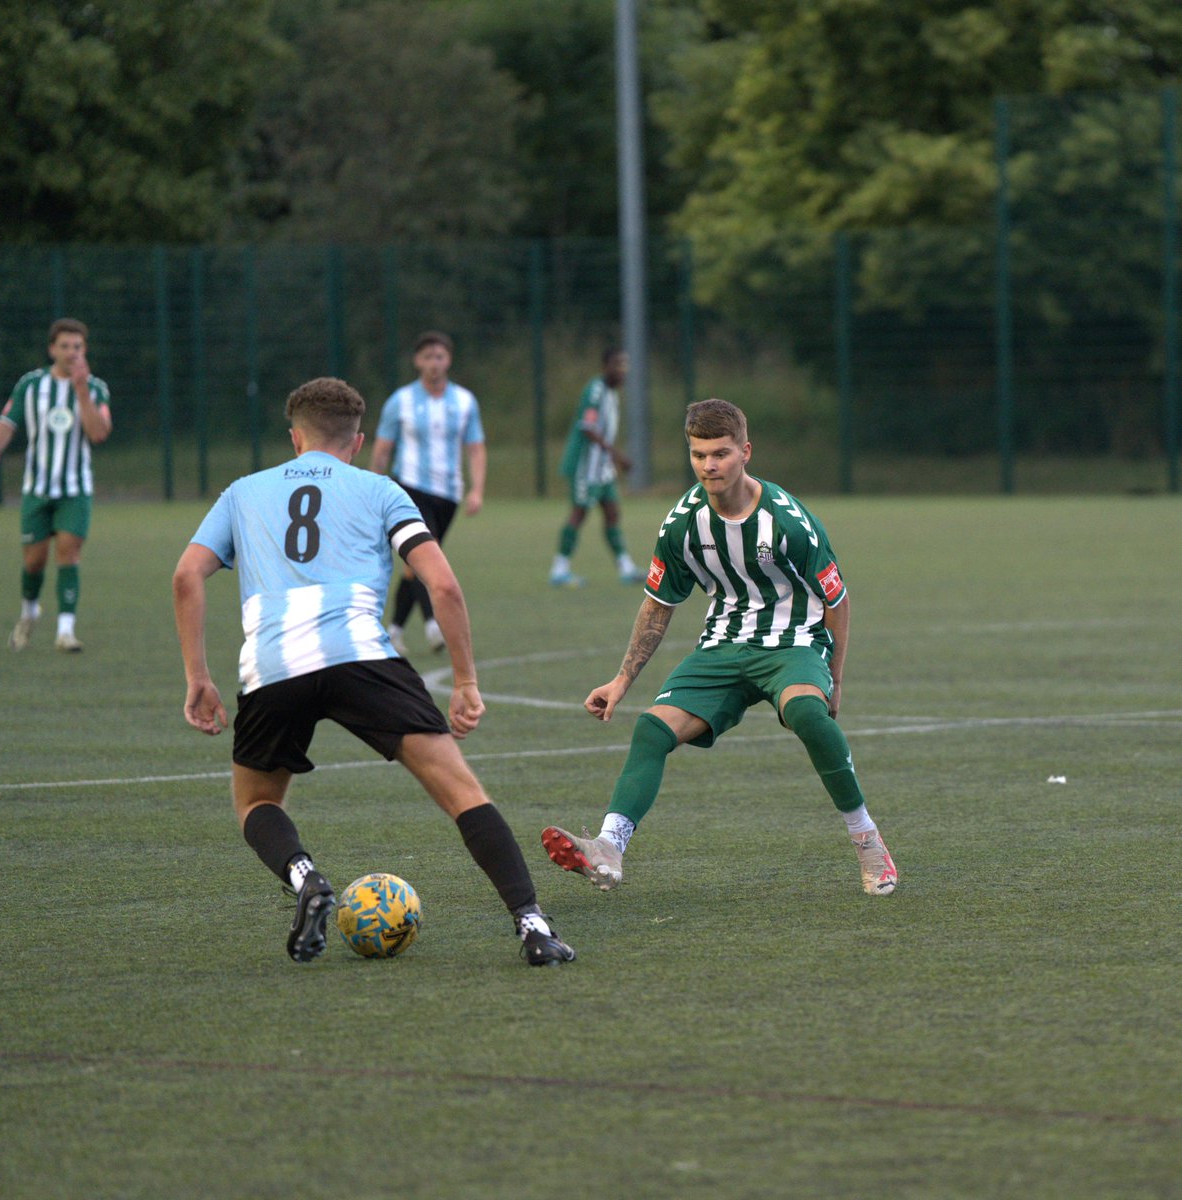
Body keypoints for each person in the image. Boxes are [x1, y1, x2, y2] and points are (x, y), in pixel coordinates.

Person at [172, 377, 573, 967]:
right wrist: (464, 682)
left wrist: (197, 677)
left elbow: (186, 577)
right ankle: (533, 927)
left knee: (257, 803)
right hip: (362, 655)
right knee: (462, 793)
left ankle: (305, 876)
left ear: (294, 437)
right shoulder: (382, 490)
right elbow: (443, 585)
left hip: (273, 665)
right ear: (357, 442)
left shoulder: (242, 493)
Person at [542, 398, 897, 898]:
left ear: (745, 452)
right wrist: (622, 680)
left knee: (809, 717)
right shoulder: (682, 524)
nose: (709, 465)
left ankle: (867, 840)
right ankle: (608, 846)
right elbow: (658, 605)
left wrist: (835, 679)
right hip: (722, 645)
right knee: (650, 730)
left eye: (721, 454)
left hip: (792, 641)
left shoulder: (788, 522)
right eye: (699, 454)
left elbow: (836, 599)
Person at [0, 318, 112, 652]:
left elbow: (99, 433)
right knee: (34, 562)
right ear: (52, 349)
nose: (72, 352)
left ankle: (65, 631)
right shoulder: (31, 385)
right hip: (37, 489)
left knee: (69, 553)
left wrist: (81, 390)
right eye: (65, 346)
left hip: (75, 489)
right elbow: (6, 421)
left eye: (78, 346)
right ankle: (29, 612)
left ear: (84, 350)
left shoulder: (96, 387)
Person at [371, 331, 485, 657]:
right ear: (417, 361)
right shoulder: (401, 401)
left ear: (448, 360)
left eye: (439, 356)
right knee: (425, 557)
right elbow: (382, 450)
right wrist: (374, 492)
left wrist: (476, 489)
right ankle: (433, 624)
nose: (434, 363)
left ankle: (393, 631)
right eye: (427, 357)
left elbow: (475, 448)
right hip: (409, 488)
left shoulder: (464, 401)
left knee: (416, 564)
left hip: (448, 494)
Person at [548, 348, 643, 588]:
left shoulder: (612, 394)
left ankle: (625, 567)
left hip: (602, 469)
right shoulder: (596, 391)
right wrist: (617, 455)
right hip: (585, 466)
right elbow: (587, 427)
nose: (622, 369)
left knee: (612, 513)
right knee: (579, 513)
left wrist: (610, 459)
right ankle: (559, 570)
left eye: (625, 364)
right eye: (617, 364)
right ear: (605, 366)